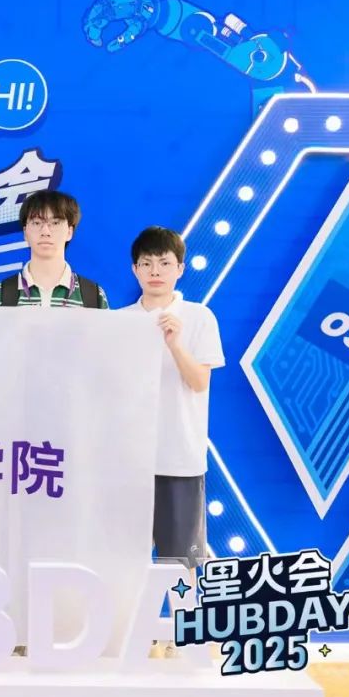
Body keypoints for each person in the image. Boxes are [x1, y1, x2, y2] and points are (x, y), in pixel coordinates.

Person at [122, 226, 225, 568]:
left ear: (180, 268)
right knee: (125, 563)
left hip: (180, 460)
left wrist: (175, 344)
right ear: (135, 269)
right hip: (128, 462)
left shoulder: (199, 317)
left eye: (164, 263)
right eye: (146, 263)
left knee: (181, 566)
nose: (155, 271)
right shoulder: (119, 322)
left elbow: (199, 382)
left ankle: (183, 608)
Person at [0, 189, 108, 308]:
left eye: (55, 223)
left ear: (69, 232)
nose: (45, 232)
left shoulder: (93, 296)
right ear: (25, 233)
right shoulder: (0, 295)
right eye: (37, 223)